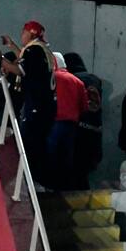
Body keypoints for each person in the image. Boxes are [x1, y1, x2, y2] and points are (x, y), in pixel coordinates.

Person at [0, 20, 56, 187]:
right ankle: (40, 182)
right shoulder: (42, 50)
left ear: (31, 33)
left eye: (24, 32)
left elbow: (20, 69)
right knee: (38, 145)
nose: (21, 35)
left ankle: (33, 183)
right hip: (46, 107)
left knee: (31, 146)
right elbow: (27, 61)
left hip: (36, 108)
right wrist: (12, 45)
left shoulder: (34, 50)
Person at [47, 53, 88, 191]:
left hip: (54, 123)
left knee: (51, 157)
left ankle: (50, 187)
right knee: (66, 159)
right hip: (72, 125)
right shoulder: (78, 82)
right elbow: (84, 107)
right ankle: (65, 189)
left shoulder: (52, 78)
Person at [64, 53, 103, 189]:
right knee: (82, 175)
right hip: (94, 132)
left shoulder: (71, 79)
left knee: (72, 176)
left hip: (76, 133)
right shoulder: (95, 80)